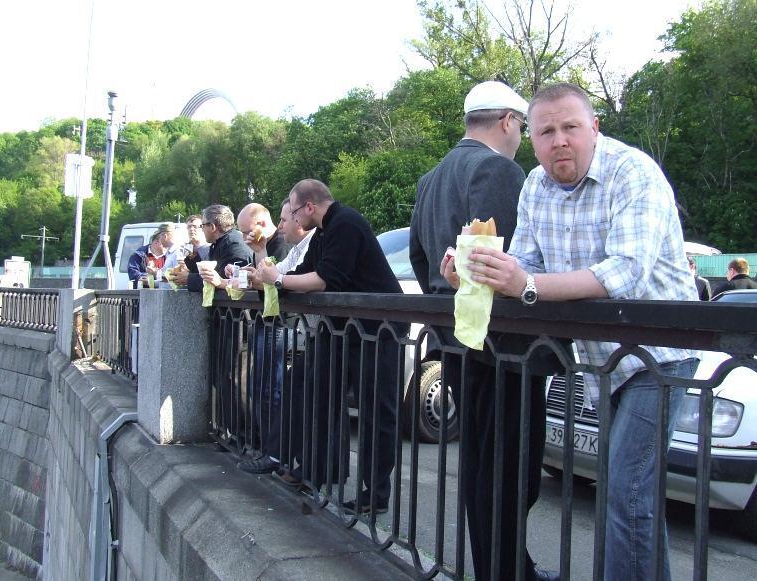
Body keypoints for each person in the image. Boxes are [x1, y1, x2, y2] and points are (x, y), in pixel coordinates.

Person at [445, 83, 699, 581]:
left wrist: (527, 284)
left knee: (625, 490)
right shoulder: (535, 186)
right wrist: (476, 272)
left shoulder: (634, 172)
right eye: (546, 131)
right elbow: (525, 264)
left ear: (594, 129)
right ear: (531, 138)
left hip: (661, 354)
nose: (559, 140)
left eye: (570, 127)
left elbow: (624, 272)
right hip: (604, 362)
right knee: (635, 495)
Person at [409, 80, 557, 581]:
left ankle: (504, 564)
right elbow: (519, 257)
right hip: (505, 346)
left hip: (454, 340)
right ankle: (506, 568)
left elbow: (421, 258)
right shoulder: (498, 168)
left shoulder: (430, 178)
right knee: (510, 467)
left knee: (478, 461)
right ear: (510, 122)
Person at [254, 179, 404, 515]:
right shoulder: (324, 231)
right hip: (345, 329)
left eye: (293, 211)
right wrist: (267, 271)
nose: (291, 218)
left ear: (309, 207)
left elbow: (324, 279)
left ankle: (376, 494)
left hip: (376, 330)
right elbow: (301, 273)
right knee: (311, 386)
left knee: (376, 413)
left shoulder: (346, 223)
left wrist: (275, 280)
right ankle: (313, 469)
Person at [232, 202, 295, 474]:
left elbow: (273, 281)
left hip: (277, 324)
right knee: (261, 387)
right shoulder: (261, 247)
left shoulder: (279, 244)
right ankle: (265, 448)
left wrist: (255, 273)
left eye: (247, 231)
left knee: (271, 389)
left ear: (260, 225)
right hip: (266, 322)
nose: (244, 237)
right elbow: (262, 278)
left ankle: (273, 453)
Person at [169, 205, 253, 291]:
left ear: (212, 227)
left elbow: (224, 280)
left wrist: (189, 279)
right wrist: (193, 257)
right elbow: (208, 274)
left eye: (202, 226)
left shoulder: (233, 245)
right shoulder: (220, 242)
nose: (202, 230)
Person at [127, 223, 176, 289]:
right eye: (161, 241)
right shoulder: (138, 255)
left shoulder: (170, 255)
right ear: (156, 242)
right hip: (143, 295)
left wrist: (154, 275)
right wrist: (148, 276)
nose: (166, 248)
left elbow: (174, 280)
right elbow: (133, 275)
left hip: (164, 294)